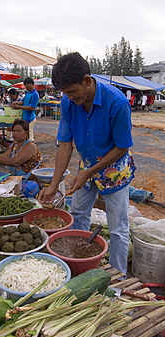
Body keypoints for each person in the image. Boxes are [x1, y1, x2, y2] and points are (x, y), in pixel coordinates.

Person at [38, 52, 136, 276]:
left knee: (118, 227)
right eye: (65, 93)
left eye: (73, 91)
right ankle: (79, 265)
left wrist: (90, 172)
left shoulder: (117, 102)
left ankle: (118, 276)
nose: (70, 98)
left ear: (87, 81)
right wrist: (53, 185)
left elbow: (122, 146)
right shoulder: (68, 102)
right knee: (79, 214)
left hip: (115, 168)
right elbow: (65, 145)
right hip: (88, 164)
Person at [11, 77, 39, 141]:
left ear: (31, 84)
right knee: (25, 135)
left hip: (30, 118)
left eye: (26, 85)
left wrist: (19, 107)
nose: (26, 87)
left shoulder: (35, 94)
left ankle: (32, 149)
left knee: (29, 135)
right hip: (24, 117)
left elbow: (32, 107)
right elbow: (23, 102)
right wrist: (16, 103)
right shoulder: (28, 93)